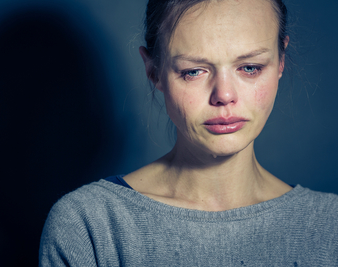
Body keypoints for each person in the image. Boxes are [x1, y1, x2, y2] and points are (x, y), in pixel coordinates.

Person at [39, 0, 338, 265]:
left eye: (250, 67)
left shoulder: (330, 226)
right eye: (193, 71)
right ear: (153, 71)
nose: (224, 95)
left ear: (281, 60)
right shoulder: (90, 226)